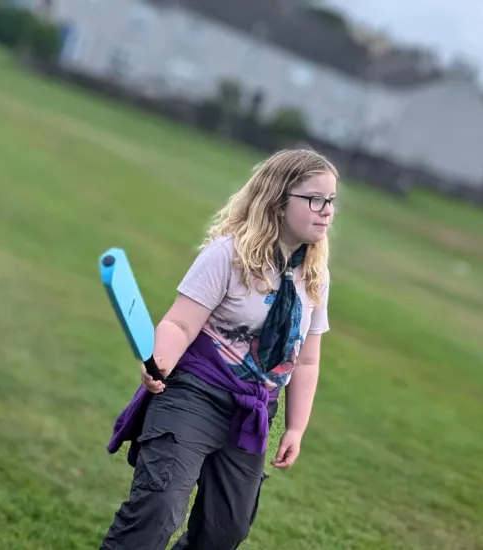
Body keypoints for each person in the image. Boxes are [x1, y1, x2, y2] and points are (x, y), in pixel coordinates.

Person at [99, 149, 337, 550]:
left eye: (331, 201)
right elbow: (179, 322)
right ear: (279, 200)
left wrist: (296, 427)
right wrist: (160, 362)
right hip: (194, 394)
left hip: (252, 412)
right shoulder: (229, 255)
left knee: (224, 532)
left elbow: (308, 358)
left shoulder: (314, 275)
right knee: (159, 508)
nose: (326, 210)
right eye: (315, 199)